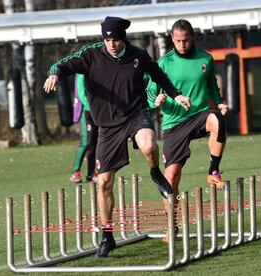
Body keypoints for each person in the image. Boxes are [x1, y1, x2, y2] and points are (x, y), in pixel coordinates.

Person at [43, 16, 190, 258]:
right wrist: (55, 73)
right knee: (104, 183)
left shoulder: (138, 55)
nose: (111, 44)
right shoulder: (91, 54)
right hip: (107, 125)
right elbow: (64, 63)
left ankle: (155, 171)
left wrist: (176, 94)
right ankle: (107, 236)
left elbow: (159, 76)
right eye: (107, 39)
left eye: (115, 39)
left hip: (135, 113)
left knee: (149, 144)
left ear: (124, 39)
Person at [146, 19, 228, 241]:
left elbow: (211, 85)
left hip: (200, 113)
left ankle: (213, 172)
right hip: (174, 123)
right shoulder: (164, 63)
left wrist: (219, 102)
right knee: (171, 176)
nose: (181, 45)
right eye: (177, 41)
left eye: (186, 40)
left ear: (193, 38)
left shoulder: (205, 59)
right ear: (172, 39)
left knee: (217, 121)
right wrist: (157, 100)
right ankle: (171, 225)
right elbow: (150, 92)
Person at [69, 74, 99, 183]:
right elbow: (81, 93)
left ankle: (91, 174)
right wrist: (92, 107)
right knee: (86, 142)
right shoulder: (82, 72)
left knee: (94, 143)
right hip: (85, 111)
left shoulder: (96, 68)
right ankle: (75, 172)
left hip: (96, 111)